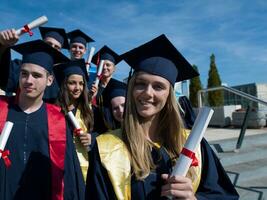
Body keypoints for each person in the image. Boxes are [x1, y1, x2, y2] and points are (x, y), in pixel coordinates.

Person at [85, 34, 239, 200]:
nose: (147, 93)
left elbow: (224, 196)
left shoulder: (194, 144)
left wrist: (193, 199)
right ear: (131, 88)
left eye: (158, 87)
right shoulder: (106, 148)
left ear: (169, 96)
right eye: (141, 84)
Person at [0, 40, 85, 200]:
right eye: (24, 73)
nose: (29, 81)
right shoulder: (2, 109)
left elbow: (69, 178)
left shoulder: (58, 120)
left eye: (37, 75)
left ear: (50, 80)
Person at [0, 26, 69, 102]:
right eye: (48, 43)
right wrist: (2, 45)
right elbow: (3, 78)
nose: (52, 48)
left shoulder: (60, 79)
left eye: (57, 47)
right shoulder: (20, 67)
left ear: (50, 79)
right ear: (41, 43)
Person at [54, 59, 94, 180]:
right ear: (64, 84)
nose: (78, 88)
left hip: (85, 167)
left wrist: (92, 138)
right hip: (61, 167)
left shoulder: (90, 110)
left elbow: (103, 134)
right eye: (72, 83)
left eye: (81, 83)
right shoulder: (54, 110)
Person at [90, 45, 122, 134]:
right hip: (97, 131)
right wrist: (92, 97)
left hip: (118, 131)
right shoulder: (91, 87)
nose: (104, 67)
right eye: (101, 65)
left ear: (114, 68)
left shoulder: (121, 87)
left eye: (108, 65)